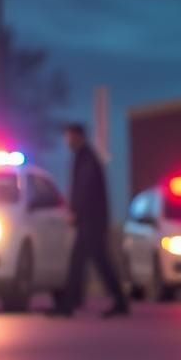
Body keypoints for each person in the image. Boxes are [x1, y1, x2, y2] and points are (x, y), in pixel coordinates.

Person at [49, 123, 128, 317]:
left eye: (69, 136)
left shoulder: (87, 158)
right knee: (81, 261)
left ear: (78, 136)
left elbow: (85, 189)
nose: (67, 141)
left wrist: (75, 210)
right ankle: (71, 302)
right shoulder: (84, 157)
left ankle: (117, 302)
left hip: (91, 220)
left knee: (98, 261)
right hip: (90, 220)